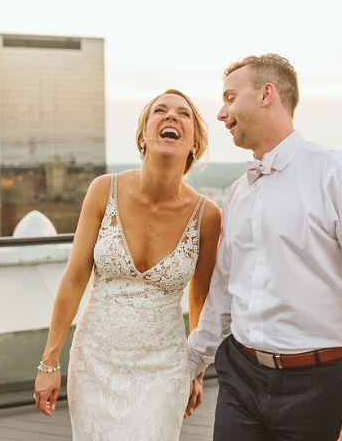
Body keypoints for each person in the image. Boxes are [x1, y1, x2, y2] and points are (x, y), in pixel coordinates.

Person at [186, 54, 342, 441]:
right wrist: (192, 362)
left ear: (267, 94)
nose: (222, 113)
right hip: (240, 379)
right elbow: (225, 291)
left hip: (325, 386)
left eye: (229, 97)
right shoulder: (238, 193)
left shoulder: (338, 175)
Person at [33, 89, 220, 440]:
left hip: (164, 369)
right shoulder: (104, 190)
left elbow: (201, 299)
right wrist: (49, 362)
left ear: (195, 142)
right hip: (95, 362)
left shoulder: (207, 216)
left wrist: (195, 369)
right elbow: (74, 279)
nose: (171, 117)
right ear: (142, 136)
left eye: (184, 115)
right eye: (160, 111)